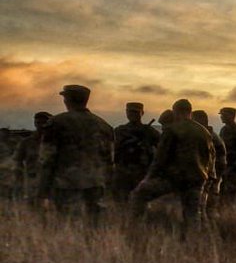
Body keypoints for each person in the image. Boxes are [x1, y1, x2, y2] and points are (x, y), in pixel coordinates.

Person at [130, 98, 213, 231]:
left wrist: (147, 179)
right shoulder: (204, 131)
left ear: (175, 111)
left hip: (175, 178)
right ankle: (194, 243)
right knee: (192, 214)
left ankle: (136, 229)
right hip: (197, 178)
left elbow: (160, 158)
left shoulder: (172, 129)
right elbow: (209, 157)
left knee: (139, 195)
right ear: (190, 112)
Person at [37, 85, 114, 223]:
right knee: (93, 223)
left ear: (68, 100)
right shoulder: (104, 125)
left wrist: (42, 191)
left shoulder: (57, 122)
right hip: (95, 182)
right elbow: (109, 159)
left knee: (66, 223)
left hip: (66, 183)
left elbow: (47, 158)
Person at [112, 102, 160, 202]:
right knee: (120, 200)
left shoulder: (150, 132)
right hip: (122, 170)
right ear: (126, 113)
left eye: (135, 112)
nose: (133, 115)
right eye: (130, 112)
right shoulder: (120, 131)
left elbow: (162, 148)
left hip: (142, 171)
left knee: (141, 201)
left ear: (142, 113)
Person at [192, 110, 225, 217]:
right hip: (211, 171)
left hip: (213, 172)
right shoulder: (207, 134)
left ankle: (208, 225)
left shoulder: (209, 136)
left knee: (207, 202)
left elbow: (218, 158)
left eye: (194, 119)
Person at [13, 111, 51, 202]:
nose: (41, 125)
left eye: (44, 122)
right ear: (35, 124)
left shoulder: (56, 142)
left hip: (51, 181)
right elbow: (18, 161)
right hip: (32, 181)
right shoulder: (26, 142)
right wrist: (20, 181)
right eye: (38, 122)